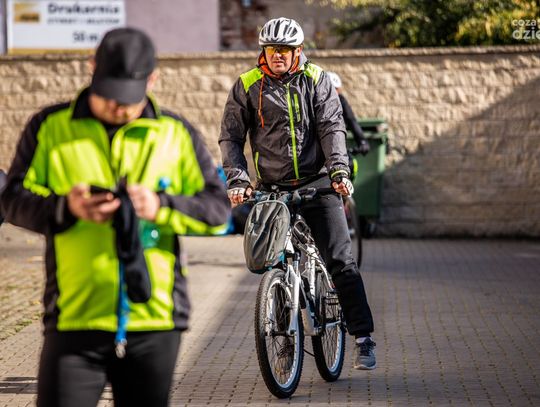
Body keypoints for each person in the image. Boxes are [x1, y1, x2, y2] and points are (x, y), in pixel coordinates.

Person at [0, 27, 230, 407]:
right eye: (108, 93)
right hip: (74, 319)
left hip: (155, 322)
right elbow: (11, 201)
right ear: (92, 68)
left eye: (128, 97)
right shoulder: (49, 127)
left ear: (152, 80)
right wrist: (65, 208)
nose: (118, 106)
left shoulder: (174, 133)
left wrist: (161, 206)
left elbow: (217, 210)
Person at [219, 17, 376, 370]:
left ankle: (363, 337)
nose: (277, 55)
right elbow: (231, 137)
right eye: (271, 49)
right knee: (273, 261)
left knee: (340, 260)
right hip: (272, 188)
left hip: (317, 182)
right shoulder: (247, 85)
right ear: (263, 52)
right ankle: (285, 341)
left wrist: (338, 171)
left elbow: (332, 127)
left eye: (285, 50)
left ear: (298, 51)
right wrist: (238, 180)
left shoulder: (316, 80)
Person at [327, 71, 370, 156]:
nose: (335, 93)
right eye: (333, 89)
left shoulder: (340, 100)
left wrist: (362, 141)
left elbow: (351, 120)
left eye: (337, 89)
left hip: (337, 147)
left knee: (349, 162)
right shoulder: (314, 102)